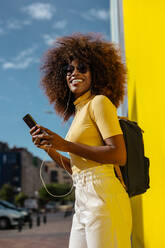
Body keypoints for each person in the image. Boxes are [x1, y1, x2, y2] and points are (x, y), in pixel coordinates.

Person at [30, 33, 132, 248]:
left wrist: (65, 145)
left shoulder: (99, 103)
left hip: (104, 195)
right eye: (68, 70)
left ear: (97, 72)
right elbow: (76, 168)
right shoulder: (79, 112)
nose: (74, 73)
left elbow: (118, 155)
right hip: (82, 196)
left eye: (82, 67)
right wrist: (50, 148)